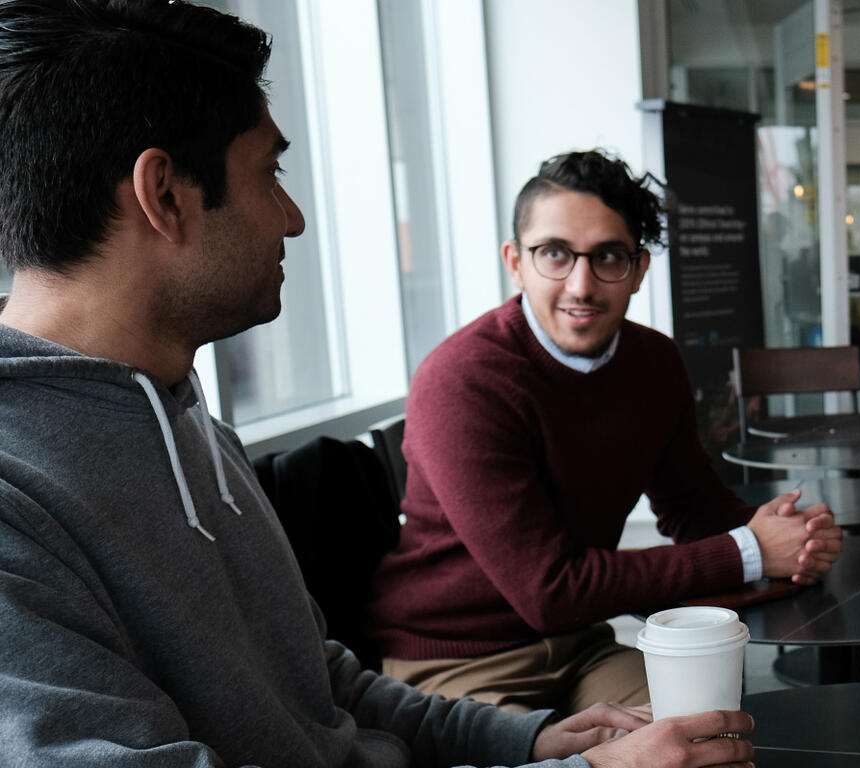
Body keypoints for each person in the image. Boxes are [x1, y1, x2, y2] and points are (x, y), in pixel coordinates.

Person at [0, 1, 754, 766]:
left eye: (609, 258)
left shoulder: (186, 418)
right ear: (164, 196)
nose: (292, 219)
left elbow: (320, 688)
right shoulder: (16, 499)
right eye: (271, 174)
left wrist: (528, 741)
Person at [365, 149, 843, 715]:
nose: (582, 284)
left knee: (707, 726)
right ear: (515, 262)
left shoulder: (655, 362)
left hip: (579, 647)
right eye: (555, 254)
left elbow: (692, 508)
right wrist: (751, 552)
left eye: (608, 256)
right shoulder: (462, 380)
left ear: (639, 270)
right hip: (453, 658)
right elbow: (551, 590)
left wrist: (790, 535)